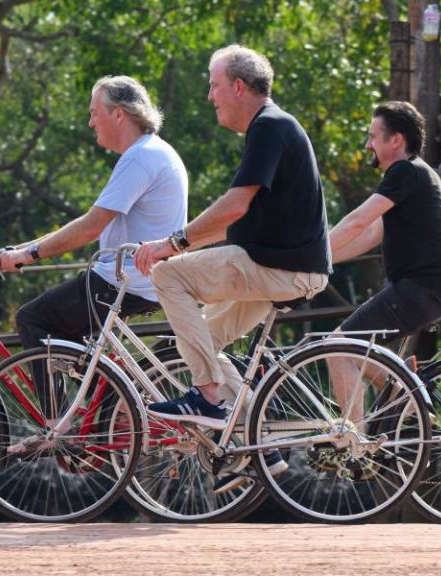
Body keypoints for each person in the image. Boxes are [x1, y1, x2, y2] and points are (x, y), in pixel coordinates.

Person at [134, 45, 331, 431]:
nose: (210, 96)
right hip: (284, 270)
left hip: (279, 270)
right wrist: (180, 242)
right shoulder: (274, 127)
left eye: (214, 85)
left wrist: (169, 246)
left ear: (238, 87)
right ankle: (248, 436)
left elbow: (234, 206)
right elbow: (231, 221)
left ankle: (207, 397)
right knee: (198, 341)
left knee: (167, 276)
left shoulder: (269, 127)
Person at [0, 75, 188, 416]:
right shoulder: (152, 151)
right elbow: (92, 223)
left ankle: (58, 428)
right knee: (76, 348)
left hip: (122, 280)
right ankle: (100, 417)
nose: (90, 122)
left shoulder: (140, 158)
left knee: (32, 319)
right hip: (137, 279)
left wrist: (27, 255)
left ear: (119, 114)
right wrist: (18, 251)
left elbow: (90, 226)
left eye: (95, 112)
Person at [327, 100, 441, 426]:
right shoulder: (413, 177)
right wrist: (324, 261)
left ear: (395, 140)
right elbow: (372, 233)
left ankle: (353, 444)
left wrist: (308, 253)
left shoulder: (405, 171)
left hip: (420, 289)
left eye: (373, 136)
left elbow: (358, 221)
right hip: (424, 290)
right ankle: (407, 397)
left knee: (337, 347)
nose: (368, 145)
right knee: (353, 349)